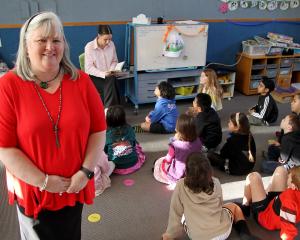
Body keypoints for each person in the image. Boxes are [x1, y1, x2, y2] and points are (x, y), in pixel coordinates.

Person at [0, 12, 106, 240]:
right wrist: (45, 182)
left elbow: (98, 131)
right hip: (34, 193)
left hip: (73, 188)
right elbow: (5, 149)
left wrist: (85, 173)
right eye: (42, 40)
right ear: (26, 46)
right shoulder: (9, 86)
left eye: (56, 40)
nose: (50, 47)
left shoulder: (81, 81)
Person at [162, 152, 260, 240]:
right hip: (223, 232)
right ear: (209, 171)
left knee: (183, 216)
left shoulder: (180, 186)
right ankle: (245, 235)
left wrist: (169, 235)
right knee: (234, 207)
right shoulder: (216, 182)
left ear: (187, 172)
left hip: (198, 237)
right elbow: (220, 205)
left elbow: (175, 214)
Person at [240, 166, 300, 240]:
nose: (287, 177)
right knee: (281, 169)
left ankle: (245, 207)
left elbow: (288, 231)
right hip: (276, 204)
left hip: (265, 217)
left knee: (253, 176)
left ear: (293, 186)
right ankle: (265, 193)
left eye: (288, 178)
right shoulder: (292, 193)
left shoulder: (289, 202)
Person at [153, 114, 202, 184]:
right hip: (194, 171)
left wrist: (174, 139)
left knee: (159, 163)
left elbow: (168, 159)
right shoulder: (198, 141)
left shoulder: (175, 144)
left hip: (180, 173)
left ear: (180, 131)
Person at [84, 24, 120, 108]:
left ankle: (108, 111)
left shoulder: (112, 44)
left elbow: (114, 61)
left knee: (111, 79)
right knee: (112, 82)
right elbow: (88, 68)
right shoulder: (89, 47)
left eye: (110, 39)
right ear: (99, 36)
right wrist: (104, 74)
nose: (108, 42)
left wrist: (111, 70)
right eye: (105, 39)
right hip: (96, 77)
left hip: (109, 74)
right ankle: (113, 111)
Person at [105, 105, 146, 174]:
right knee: (136, 144)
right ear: (124, 118)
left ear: (107, 120)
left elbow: (105, 150)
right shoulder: (129, 128)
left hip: (116, 167)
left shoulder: (107, 134)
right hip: (133, 164)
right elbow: (133, 143)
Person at [263, 94, 300, 170]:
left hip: (293, 163)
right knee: (272, 148)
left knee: (265, 166)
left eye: (295, 101)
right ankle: (273, 161)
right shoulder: (295, 117)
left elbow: (284, 157)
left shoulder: (290, 136)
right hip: (290, 147)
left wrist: (280, 161)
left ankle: (275, 165)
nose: (291, 102)